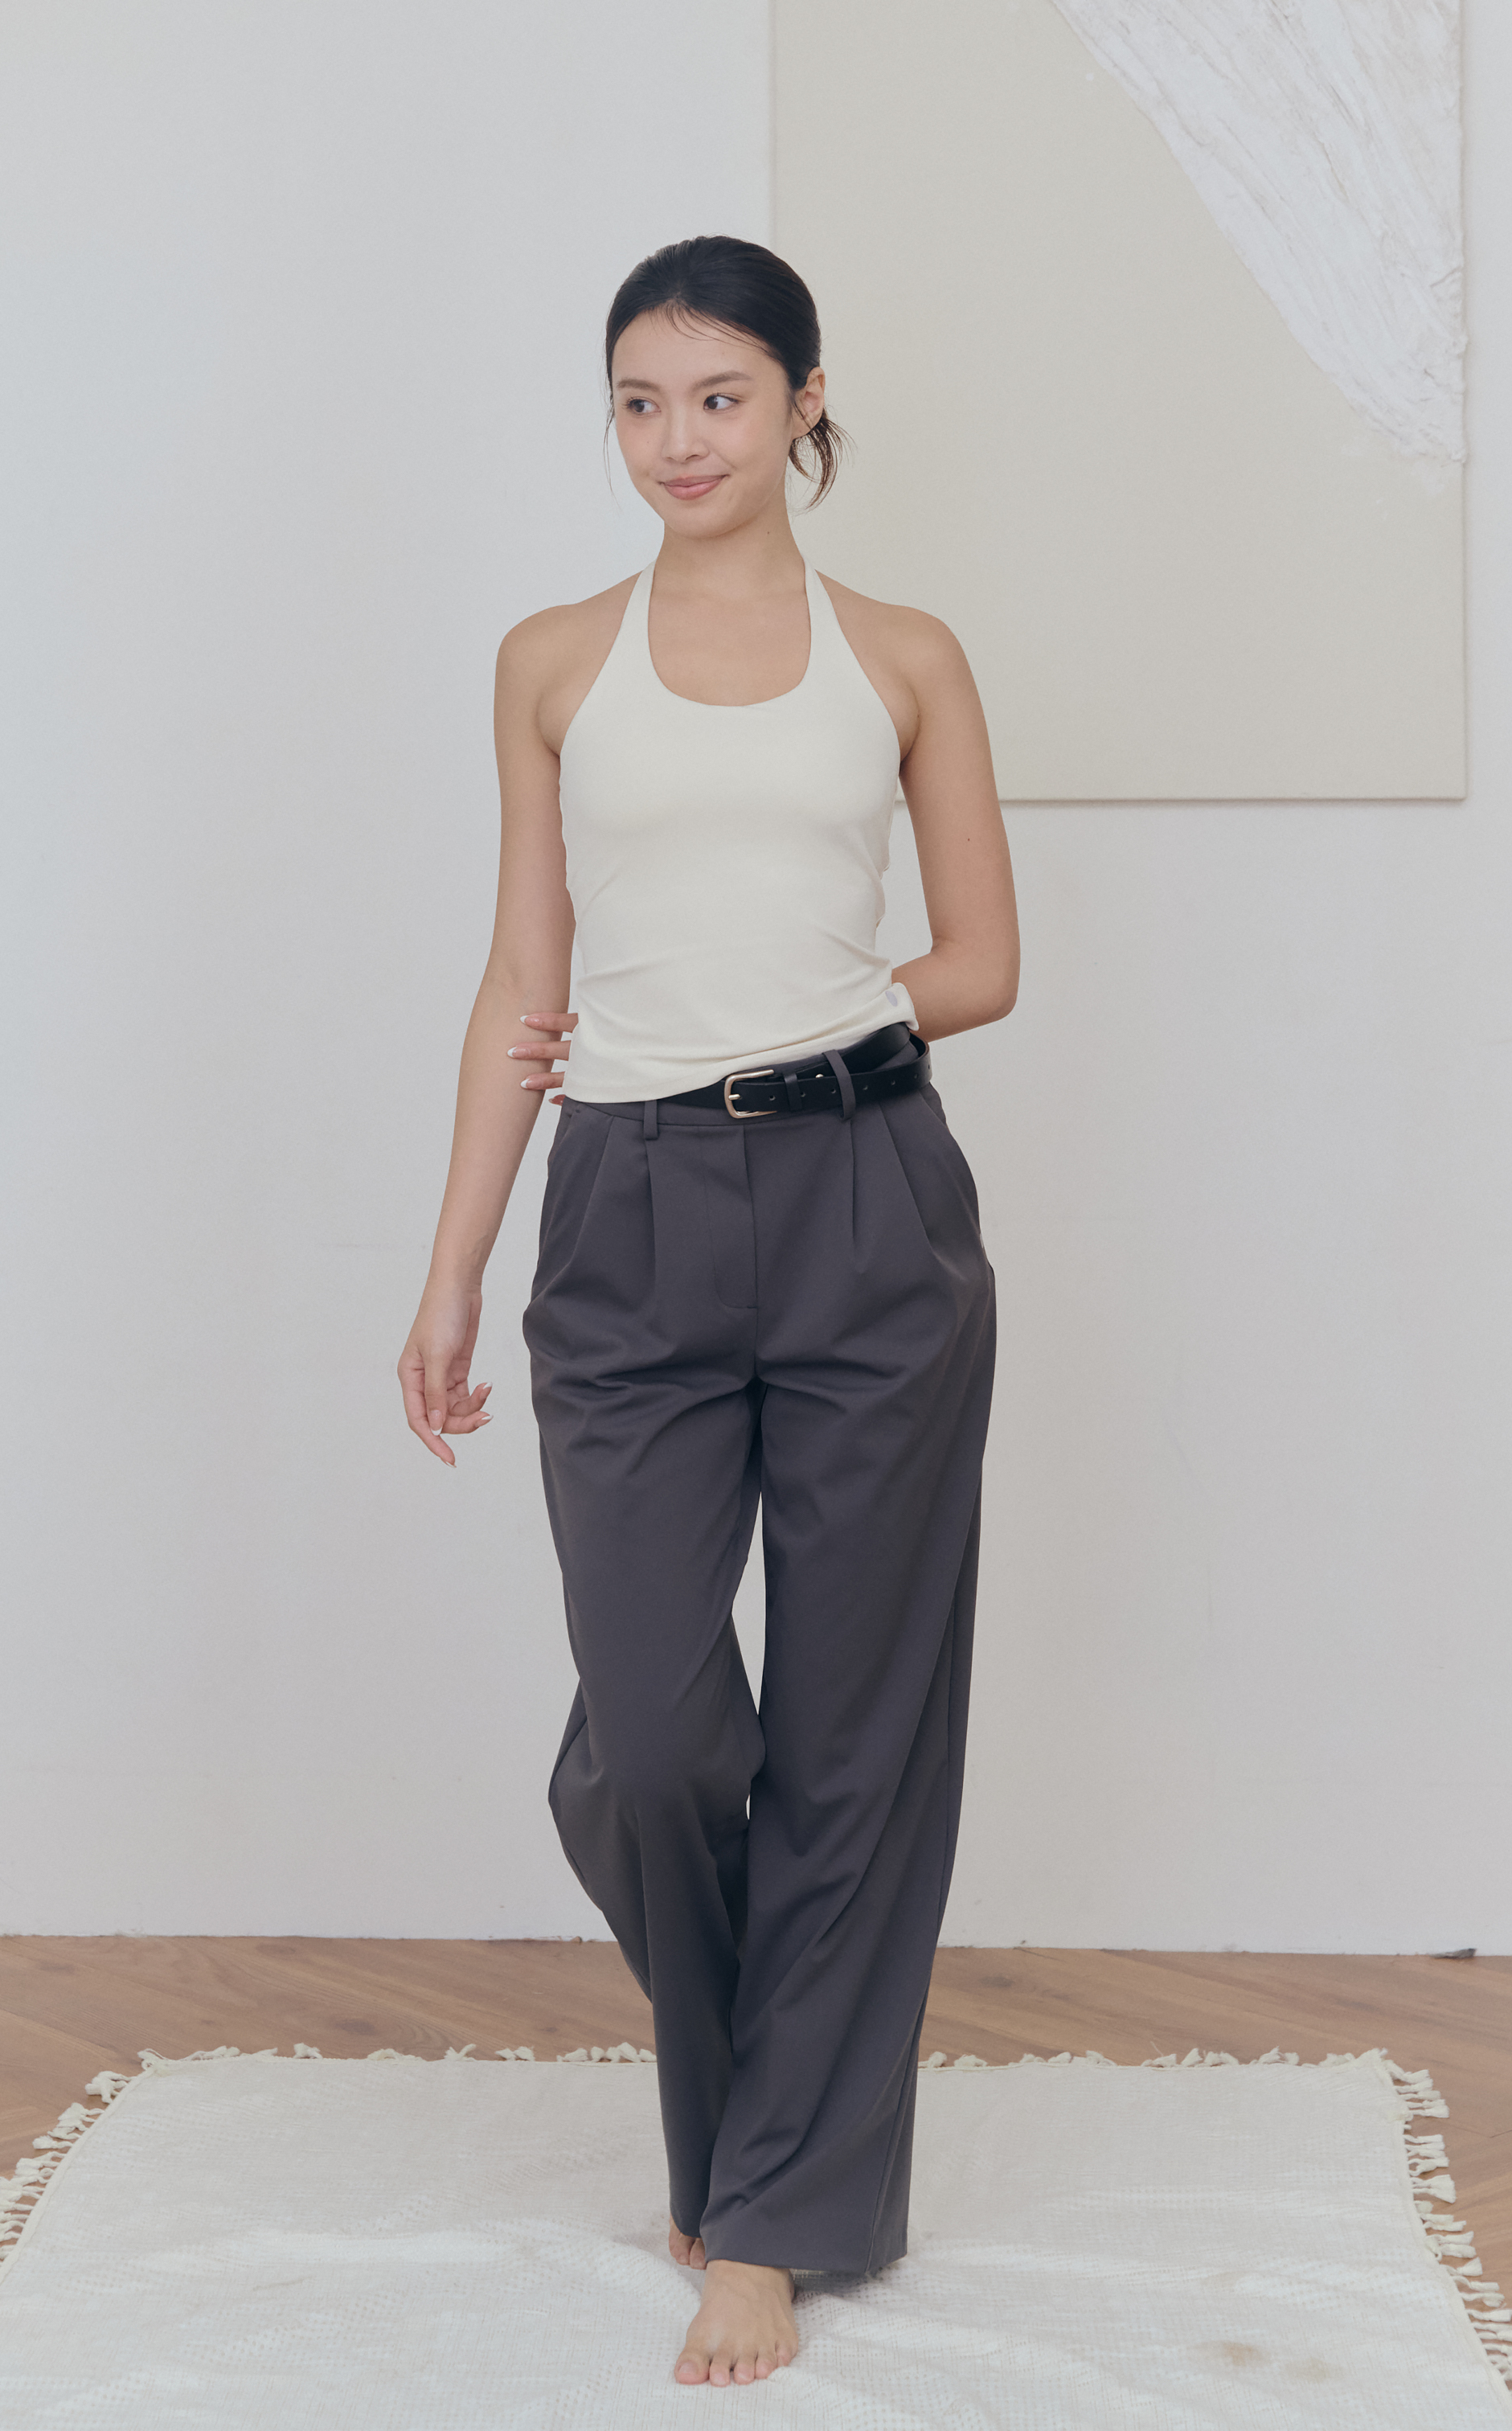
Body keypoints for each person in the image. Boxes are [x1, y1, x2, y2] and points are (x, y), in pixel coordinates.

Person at [398, 234, 1017, 2390]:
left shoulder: (907, 657)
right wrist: (452, 1266)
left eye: (722, 398)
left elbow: (983, 960)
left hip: (869, 1198)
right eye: (642, 403)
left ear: (804, 402)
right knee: (658, 1742)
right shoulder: (553, 662)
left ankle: (763, 2213)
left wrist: (807, 1011)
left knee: (858, 1737)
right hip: (627, 1212)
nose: (679, 440)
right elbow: (523, 981)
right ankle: (779, 2111)